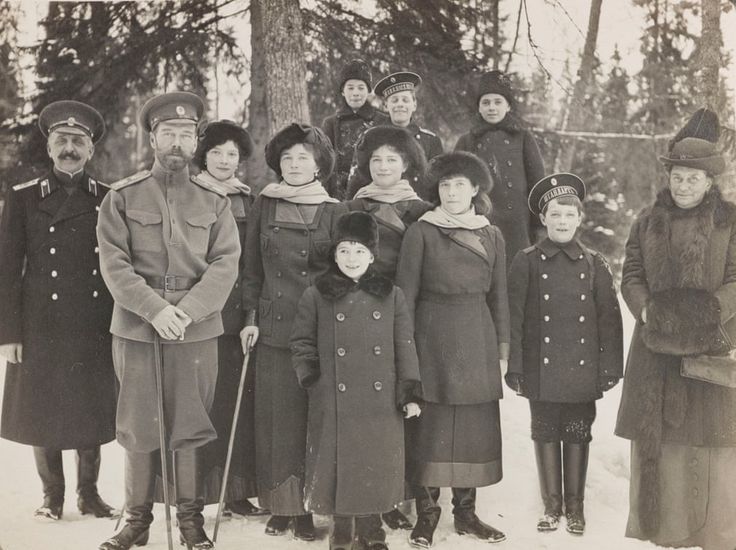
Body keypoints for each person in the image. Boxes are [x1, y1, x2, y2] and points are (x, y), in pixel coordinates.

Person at [96, 91, 240, 550]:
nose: (176, 141)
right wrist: (155, 310)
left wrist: (187, 312)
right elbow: (114, 265)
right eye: (167, 133)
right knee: (139, 422)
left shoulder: (215, 201)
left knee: (190, 424)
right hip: (138, 328)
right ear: (153, 138)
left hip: (195, 331)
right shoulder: (121, 196)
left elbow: (225, 264)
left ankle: (191, 521)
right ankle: (136, 521)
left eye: (185, 134)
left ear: (195, 142)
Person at [615, 109, 736, 550]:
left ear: (709, 182)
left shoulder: (730, 220)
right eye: (678, 177)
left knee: (711, 439)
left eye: (693, 179)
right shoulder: (646, 221)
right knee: (662, 441)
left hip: (711, 345)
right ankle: (665, 532)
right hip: (656, 351)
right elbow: (630, 273)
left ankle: (714, 534)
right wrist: (644, 309)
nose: (684, 186)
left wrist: (707, 312)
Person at [0, 100, 117, 521]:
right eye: (62, 140)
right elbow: (8, 269)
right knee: (42, 406)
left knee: (92, 406)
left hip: (92, 322)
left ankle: (90, 494)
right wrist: (9, 333)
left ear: (90, 151)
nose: (70, 148)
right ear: (49, 148)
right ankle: (53, 496)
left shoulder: (108, 198)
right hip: (40, 324)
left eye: (78, 142)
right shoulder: (24, 198)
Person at [240, 123, 347, 541]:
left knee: (310, 420)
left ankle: (307, 506)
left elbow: (341, 271)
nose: (295, 164)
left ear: (319, 165)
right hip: (272, 326)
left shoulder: (334, 210)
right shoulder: (264, 205)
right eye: (287, 158)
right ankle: (280, 505)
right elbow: (251, 269)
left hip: (318, 331)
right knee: (276, 418)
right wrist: (250, 318)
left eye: (304, 157)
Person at [290, 211, 423, 550]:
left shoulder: (391, 295)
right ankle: (342, 532)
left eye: (360, 251)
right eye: (345, 250)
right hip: (334, 396)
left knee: (374, 464)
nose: (352, 259)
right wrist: (311, 378)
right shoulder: (316, 294)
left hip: (380, 399)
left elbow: (404, 345)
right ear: (334, 255)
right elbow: (302, 342)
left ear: (372, 256)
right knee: (339, 465)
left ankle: (372, 532)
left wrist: (409, 391)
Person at [396, 151, 509, 548]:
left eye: (460, 184)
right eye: (445, 185)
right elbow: (405, 297)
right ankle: (426, 516)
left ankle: (466, 513)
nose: (452, 191)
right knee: (431, 426)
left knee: (473, 428)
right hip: (431, 336)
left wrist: (502, 348)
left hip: (476, 335)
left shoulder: (490, 235)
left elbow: (500, 298)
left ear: (475, 189)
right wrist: (406, 351)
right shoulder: (422, 232)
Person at [506, 173, 623, 535]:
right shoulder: (526, 261)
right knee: (543, 431)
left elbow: (610, 321)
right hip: (540, 370)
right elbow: (515, 320)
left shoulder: (594, 263)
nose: (561, 222)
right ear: (543, 219)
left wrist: (609, 368)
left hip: (581, 370)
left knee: (576, 433)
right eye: (554, 214)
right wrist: (516, 367)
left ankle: (576, 509)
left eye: (568, 215)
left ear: (579, 220)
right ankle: (551, 507)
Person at [189, 120, 265, 517]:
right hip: (200, 314)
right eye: (216, 152)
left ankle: (235, 489)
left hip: (236, 319)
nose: (224, 160)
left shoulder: (248, 200)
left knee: (236, 402)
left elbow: (253, 262)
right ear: (204, 156)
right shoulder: (189, 193)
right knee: (202, 403)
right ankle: (197, 491)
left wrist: (251, 313)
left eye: (232, 154)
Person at [455, 71, 545, 264]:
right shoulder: (467, 141)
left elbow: (537, 184)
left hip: (517, 224)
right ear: (479, 107)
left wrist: (538, 226)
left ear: (508, 106)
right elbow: (455, 185)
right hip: (478, 221)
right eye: (486, 103)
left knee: (515, 277)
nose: (492, 108)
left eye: (498, 102)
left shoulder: (523, 138)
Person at [347, 125, 431, 281]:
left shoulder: (423, 211)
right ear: (368, 164)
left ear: (405, 165)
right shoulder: (352, 208)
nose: (383, 167)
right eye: (376, 160)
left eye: (391, 160)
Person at [347, 71, 442, 197]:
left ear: (414, 104)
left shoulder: (430, 140)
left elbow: (437, 184)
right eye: (395, 100)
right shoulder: (370, 137)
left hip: (419, 210)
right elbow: (357, 181)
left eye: (405, 100)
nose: (400, 105)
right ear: (386, 106)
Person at [321, 59, 388, 200]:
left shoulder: (382, 120)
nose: (356, 93)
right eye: (350, 88)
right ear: (343, 91)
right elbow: (326, 165)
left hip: (374, 194)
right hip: (339, 197)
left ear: (368, 91)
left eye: (361, 88)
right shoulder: (331, 123)